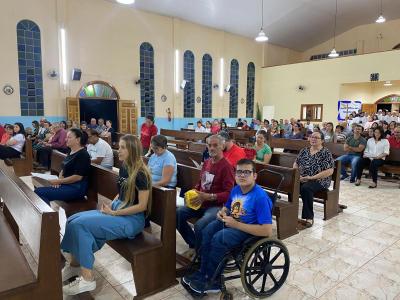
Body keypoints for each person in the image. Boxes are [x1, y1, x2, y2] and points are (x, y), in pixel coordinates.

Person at [60, 134, 152, 295]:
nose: (119, 150)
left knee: (81, 226)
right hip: (117, 211)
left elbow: (142, 206)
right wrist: (112, 205)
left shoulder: (141, 173)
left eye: (123, 147)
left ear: (133, 149)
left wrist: (115, 213)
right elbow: (122, 192)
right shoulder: (124, 166)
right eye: (120, 147)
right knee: (73, 220)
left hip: (131, 220)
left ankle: (88, 279)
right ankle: (75, 265)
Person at [182, 159, 273, 293]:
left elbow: (267, 230)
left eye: (247, 172)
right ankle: (204, 272)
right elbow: (229, 206)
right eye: (239, 172)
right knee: (206, 231)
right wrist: (222, 212)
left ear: (254, 176)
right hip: (233, 222)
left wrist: (236, 224)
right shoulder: (236, 189)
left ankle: (214, 281)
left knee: (219, 238)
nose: (242, 175)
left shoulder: (260, 197)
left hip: (248, 230)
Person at [176, 134, 235, 258]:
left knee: (200, 225)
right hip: (201, 202)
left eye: (215, 145)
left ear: (222, 146)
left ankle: (201, 255)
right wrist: (193, 192)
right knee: (177, 214)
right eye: (209, 145)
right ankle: (194, 245)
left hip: (217, 206)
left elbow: (229, 193)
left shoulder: (227, 167)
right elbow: (200, 183)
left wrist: (208, 197)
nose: (211, 148)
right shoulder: (207, 162)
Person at [34, 129, 91, 205]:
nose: (66, 139)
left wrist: (59, 181)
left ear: (78, 140)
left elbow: (77, 177)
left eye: (69, 137)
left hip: (76, 188)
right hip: (66, 184)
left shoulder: (83, 155)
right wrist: (59, 180)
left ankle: (49, 216)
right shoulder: (71, 151)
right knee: (37, 186)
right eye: (66, 137)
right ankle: (47, 215)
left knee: (40, 192)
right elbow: (63, 169)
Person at [293, 131, 334, 227]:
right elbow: (296, 163)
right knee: (290, 184)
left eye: (316, 137)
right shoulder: (304, 150)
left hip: (319, 180)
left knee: (306, 188)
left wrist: (311, 177)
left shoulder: (325, 152)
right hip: (303, 178)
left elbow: (330, 171)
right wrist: (297, 175)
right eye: (311, 137)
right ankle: (290, 213)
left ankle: (309, 217)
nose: (313, 139)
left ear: (322, 140)